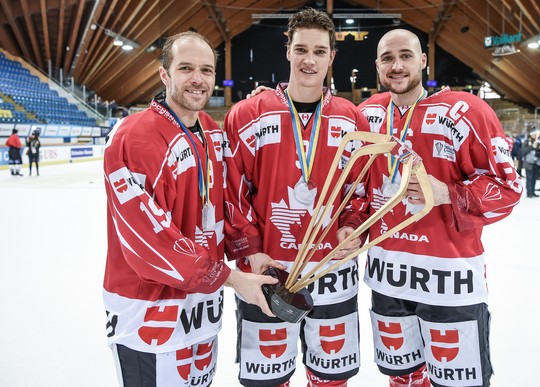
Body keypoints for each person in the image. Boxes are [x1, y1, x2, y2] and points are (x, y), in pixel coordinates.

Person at [102, 31, 278, 387]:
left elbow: (229, 201)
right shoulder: (132, 137)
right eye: (186, 68)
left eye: (206, 70)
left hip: (201, 307)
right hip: (150, 312)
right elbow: (148, 240)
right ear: (165, 74)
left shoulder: (211, 132)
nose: (198, 79)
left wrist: (251, 251)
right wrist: (231, 278)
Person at [357, 29, 522, 387]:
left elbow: (508, 188)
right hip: (388, 279)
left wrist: (448, 192)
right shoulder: (366, 114)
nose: (397, 65)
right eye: (387, 58)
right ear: (377, 66)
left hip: (450, 281)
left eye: (405, 56)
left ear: (423, 61)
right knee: (402, 378)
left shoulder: (466, 112)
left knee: (458, 382)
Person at [223, 8, 369, 387]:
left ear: (331, 57)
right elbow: (232, 193)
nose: (309, 60)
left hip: (332, 273)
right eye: (301, 49)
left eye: (320, 51)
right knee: (268, 381)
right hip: (269, 274)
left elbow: (360, 188)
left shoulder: (353, 119)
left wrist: (351, 228)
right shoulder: (246, 114)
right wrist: (249, 250)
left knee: (331, 378)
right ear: (287, 50)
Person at [522, 130, 540, 198]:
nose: (536, 136)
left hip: (536, 163)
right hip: (528, 163)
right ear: (531, 135)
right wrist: (532, 147)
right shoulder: (526, 141)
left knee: (534, 178)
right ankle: (529, 192)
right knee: (529, 178)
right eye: (534, 134)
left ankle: (533, 192)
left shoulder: (539, 142)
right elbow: (523, 151)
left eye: (537, 135)